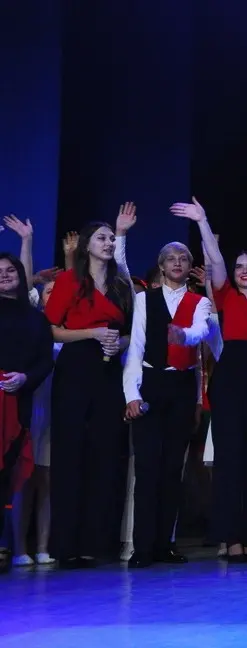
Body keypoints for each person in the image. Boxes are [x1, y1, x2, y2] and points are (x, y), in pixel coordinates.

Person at [172, 198, 247, 563]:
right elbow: (215, 260)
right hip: (230, 383)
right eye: (239, 267)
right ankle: (232, 539)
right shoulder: (226, 298)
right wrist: (203, 222)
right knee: (230, 460)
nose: (244, 271)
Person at [46, 211, 135, 568]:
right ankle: (66, 545)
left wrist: (118, 343)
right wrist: (92, 333)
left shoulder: (120, 285)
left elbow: (131, 333)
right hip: (76, 367)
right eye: (102, 237)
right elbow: (53, 329)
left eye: (112, 238)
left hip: (108, 370)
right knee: (71, 455)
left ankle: (96, 543)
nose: (109, 243)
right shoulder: (69, 281)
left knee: (105, 454)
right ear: (86, 245)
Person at [122, 242, 213, 567]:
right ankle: (142, 547)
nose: (177, 263)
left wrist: (183, 336)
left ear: (189, 266)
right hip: (151, 383)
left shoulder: (199, 302)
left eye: (183, 258)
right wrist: (132, 394)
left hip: (181, 388)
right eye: (171, 259)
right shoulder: (145, 299)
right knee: (147, 468)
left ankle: (165, 544)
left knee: (173, 469)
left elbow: (200, 332)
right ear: (161, 266)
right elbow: (136, 347)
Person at [0, 253, 55, 573]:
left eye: (10, 270)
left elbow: (45, 360)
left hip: (19, 401)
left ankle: (8, 546)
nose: (4, 275)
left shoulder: (36, 319)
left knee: (12, 472)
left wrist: (25, 378)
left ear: (21, 275)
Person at [11, 277, 59, 567]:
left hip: (56, 412)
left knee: (47, 482)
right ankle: (19, 549)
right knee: (24, 479)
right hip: (31, 407)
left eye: (59, 291)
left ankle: (43, 546)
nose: (54, 295)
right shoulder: (32, 322)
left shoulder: (69, 328)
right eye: (49, 291)